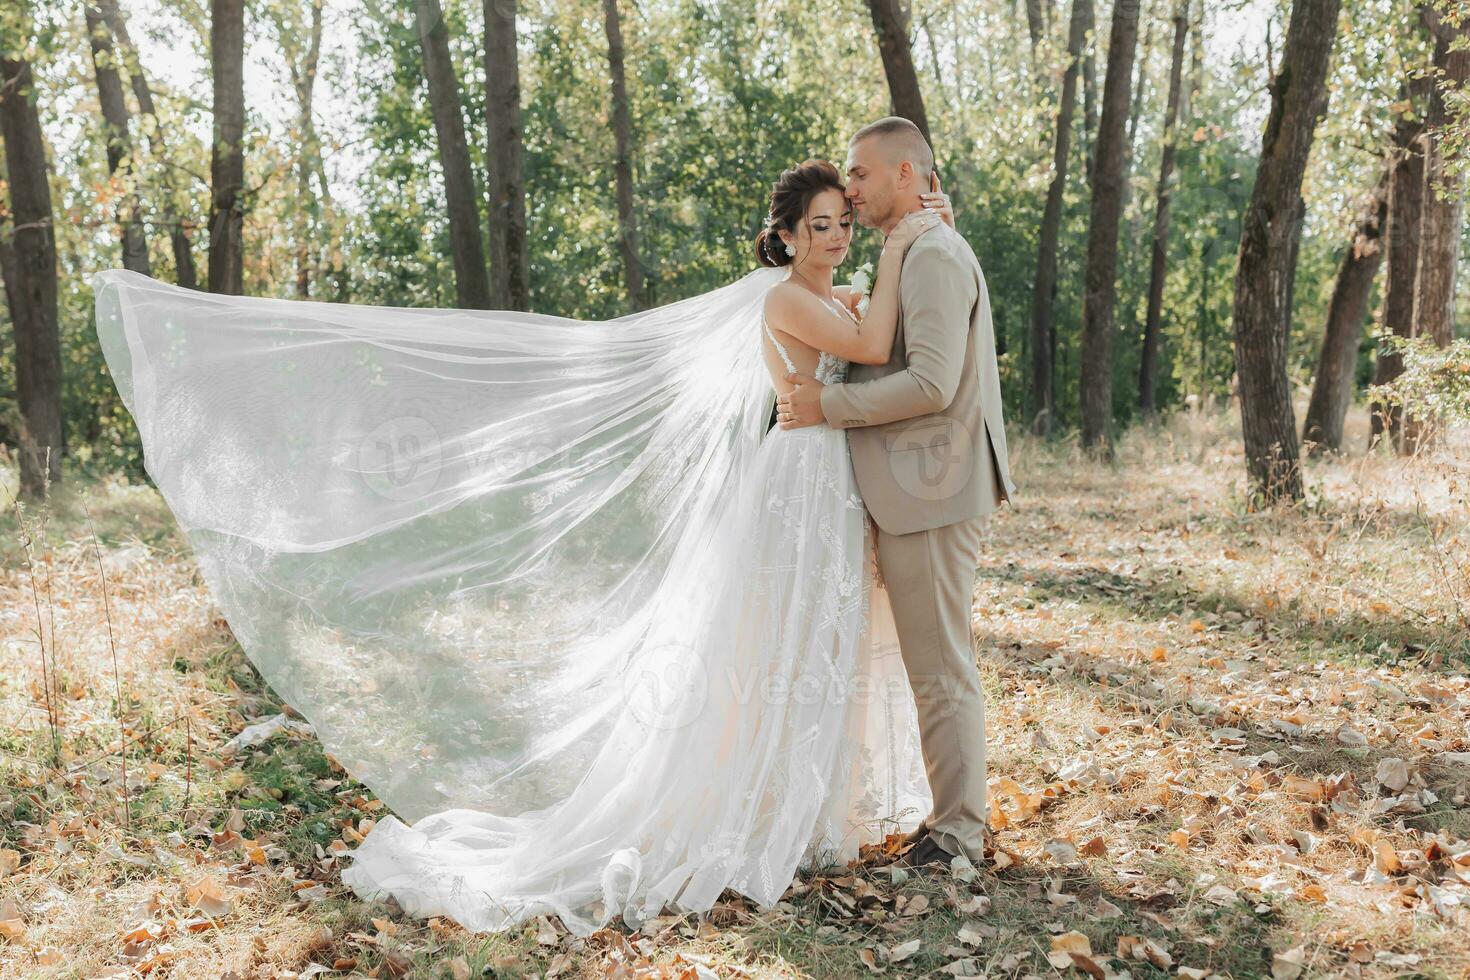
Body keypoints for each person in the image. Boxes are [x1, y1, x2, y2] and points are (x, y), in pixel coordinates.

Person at [776, 116, 1018, 870]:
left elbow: (934, 382)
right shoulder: (910, 247)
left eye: (861, 175)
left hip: (933, 487)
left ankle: (959, 833)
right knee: (932, 664)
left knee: (941, 667)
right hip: (917, 486)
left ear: (907, 175)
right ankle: (951, 819)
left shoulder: (932, 253)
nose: (851, 189)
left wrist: (829, 406)